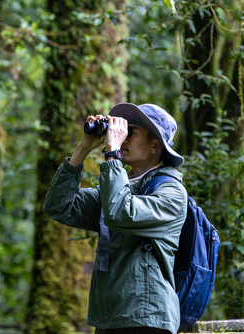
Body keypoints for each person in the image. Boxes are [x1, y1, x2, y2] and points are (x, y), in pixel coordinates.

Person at [43, 102, 188, 334]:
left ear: (155, 146)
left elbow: (120, 212)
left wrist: (113, 154)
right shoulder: (119, 187)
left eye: (131, 132)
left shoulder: (172, 193)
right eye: (122, 130)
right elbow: (59, 206)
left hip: (146, 318)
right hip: (109, 318)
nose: (122, 137)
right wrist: (83, 148)